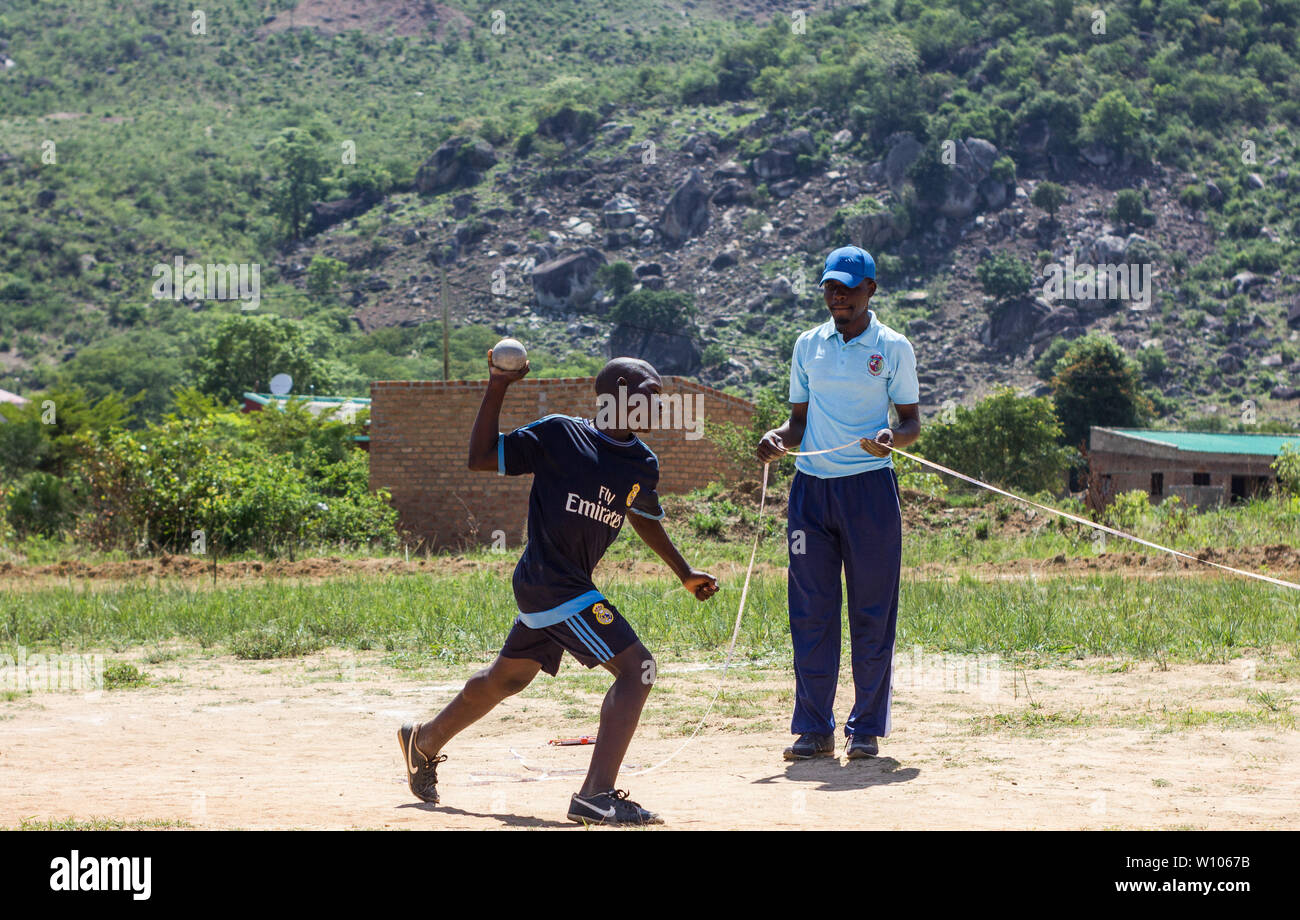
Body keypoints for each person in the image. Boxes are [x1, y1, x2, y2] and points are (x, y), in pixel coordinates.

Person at [398, 353, 719, 825]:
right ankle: (596, 794)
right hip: (550, 582)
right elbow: (481, 457)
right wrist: (498, 385)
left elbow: (643, 517)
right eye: (653, 394)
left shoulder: (642, 463)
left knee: (506, 679)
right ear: (623, 389)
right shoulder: (559, 435)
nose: (661, 406)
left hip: (566, 587)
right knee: (639, 669)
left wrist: (684, 573)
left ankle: (421, 741)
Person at [756, 245, 921, 761]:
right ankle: (813, 728)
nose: (838, 296)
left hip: (870, 491)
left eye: (849, 288)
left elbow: (912, 424)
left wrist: (892, 438)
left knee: (872, 612)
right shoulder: (808, 345)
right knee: (810, 612)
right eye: (831, 287)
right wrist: (776, 438)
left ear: (871, 289)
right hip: (811, 493)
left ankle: (866, 727)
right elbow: (797, 425)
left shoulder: (893, 347)